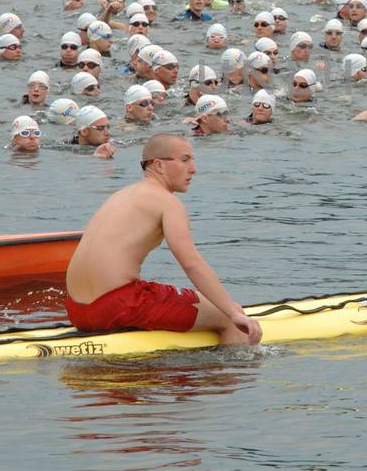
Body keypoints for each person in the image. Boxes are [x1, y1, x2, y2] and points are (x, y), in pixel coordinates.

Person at [62, 133, 263, 346]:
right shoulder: (167, 203)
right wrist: (233, 312)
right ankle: (236, 373)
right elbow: (191, 263)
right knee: (227, 317)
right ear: (158, 165)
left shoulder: (120, 195)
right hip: (117, 306)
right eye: (185, 160)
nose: (193, 169)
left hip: (76, 309)